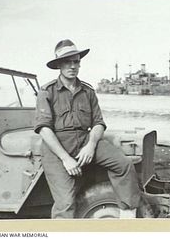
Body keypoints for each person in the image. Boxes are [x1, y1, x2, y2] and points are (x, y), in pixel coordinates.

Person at [34, 39, 141, 219]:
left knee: (124, 165)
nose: (72, 66)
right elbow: (44, 129)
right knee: (65, 203)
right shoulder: (47, 92)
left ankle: (127, 217)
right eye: (67, 62)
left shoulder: (88, 91)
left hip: (85, 140)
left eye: (76, 61)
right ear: (59, 65)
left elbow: (99, 123)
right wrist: (66, 159)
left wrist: (91, 145)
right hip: (57, 148)